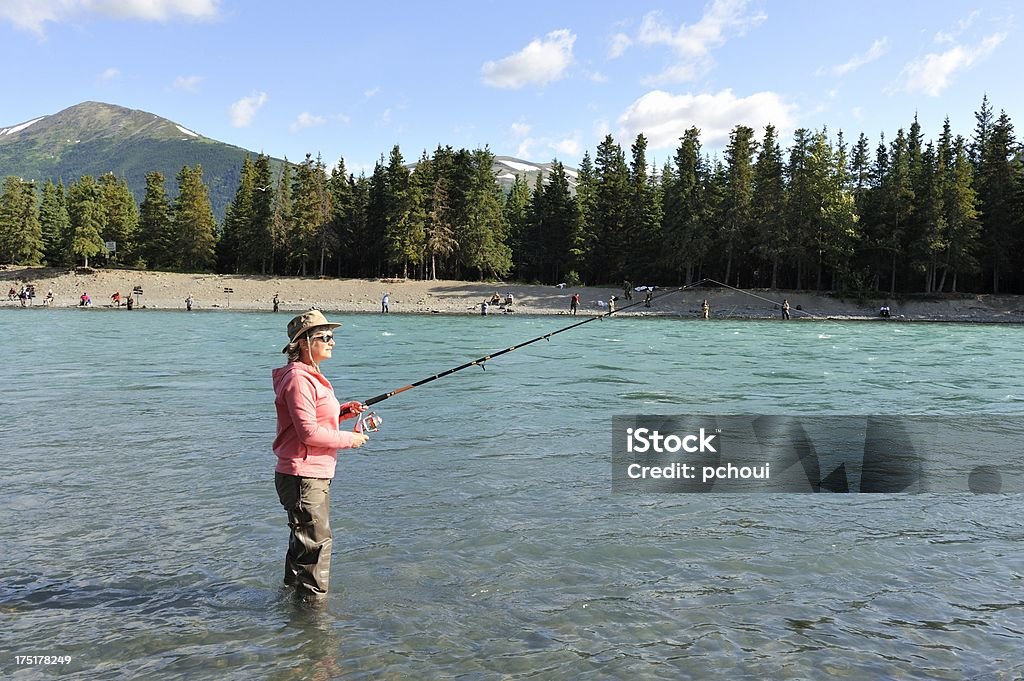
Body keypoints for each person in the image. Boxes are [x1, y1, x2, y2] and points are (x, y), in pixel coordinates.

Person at [273, 310, 369, 603]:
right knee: (316, 544)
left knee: (303, 542)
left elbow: (307, 423)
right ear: (304, 343)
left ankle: (293, 604)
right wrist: (350, 440)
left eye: (332, 336)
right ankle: (313, 617)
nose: (332, 342)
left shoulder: (308, 376)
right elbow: (308, 434)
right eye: (325, 337)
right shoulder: (299, 379)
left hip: (309, 474)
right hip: (303, 475)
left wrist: (342, 413)